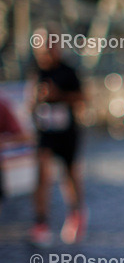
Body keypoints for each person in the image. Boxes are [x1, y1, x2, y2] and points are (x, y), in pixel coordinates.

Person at [25, 31, 86, 245]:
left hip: (66, 132)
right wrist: (36, 99)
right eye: (41, 48)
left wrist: (58, 96)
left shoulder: (68, 71)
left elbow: (82, 98)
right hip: (44, 132)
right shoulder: (36, 70)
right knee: (42, 174)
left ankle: (76, 214)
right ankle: (40, 222)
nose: (45, 53)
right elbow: (29, 100)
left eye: (49, 48)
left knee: (69, 175)